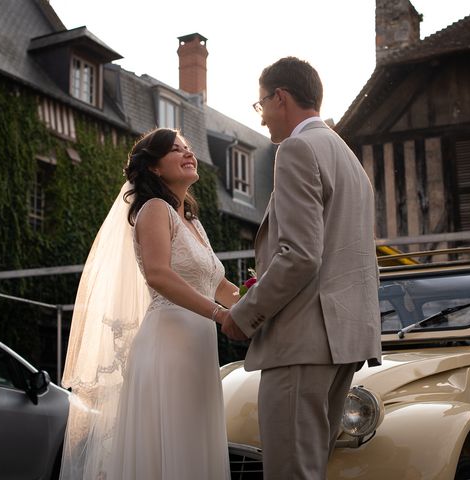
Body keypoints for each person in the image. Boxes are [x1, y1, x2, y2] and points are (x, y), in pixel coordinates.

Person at [219, 57, 382, 479]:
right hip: (344, 340)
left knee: (291, 472)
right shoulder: (349, 161)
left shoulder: (298, 148)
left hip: (302, 340)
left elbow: (299, 255)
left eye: (261, 106)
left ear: (280, 97)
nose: (262, 119)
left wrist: (245, 315)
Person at [59, 128, 236, 479]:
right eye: (175, 150)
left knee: (193, 444)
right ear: (154, 168)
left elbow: (219, 285)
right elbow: (158, 274)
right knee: (168, 446)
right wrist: (219, 314)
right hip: (167, 348)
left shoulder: (194, 222)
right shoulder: (154, 209)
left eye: (188, 148)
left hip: (198, 349)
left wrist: (259, 301)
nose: (188, 154)